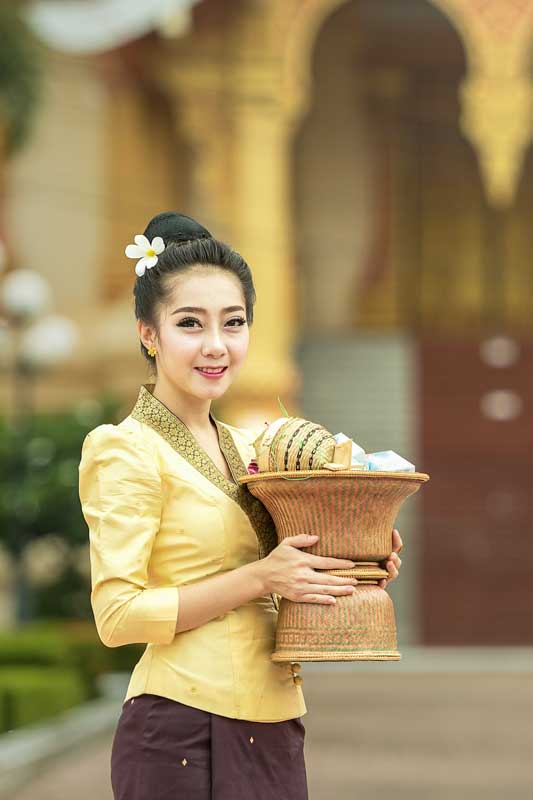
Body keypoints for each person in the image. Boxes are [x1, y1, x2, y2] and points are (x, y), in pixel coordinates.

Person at [78, 211, 403, 800]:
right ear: (148, 334)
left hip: (274, 721)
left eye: (234, 323)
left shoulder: (252, 445)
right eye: (190, 324)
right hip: (179, 727)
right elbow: (118, 616)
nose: (216, 346)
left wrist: (358, 558)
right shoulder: (124, 449)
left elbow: (290, 566)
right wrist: (262, 576)